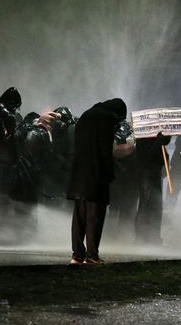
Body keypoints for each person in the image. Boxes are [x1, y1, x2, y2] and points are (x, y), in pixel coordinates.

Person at [67, 98, 126, 264]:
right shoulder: (105, 118)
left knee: (78, 217)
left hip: (78, 174)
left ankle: (77, 254)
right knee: (94, 216)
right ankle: (92, 256)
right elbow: (104, 149)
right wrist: (110, 171)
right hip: (96, 174)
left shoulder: (86, 115)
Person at [134, 132, 171, 246]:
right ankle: (142, 237)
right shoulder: (143, 138)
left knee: (155, 207)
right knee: (147, 205)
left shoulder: (152, 137)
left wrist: (163, 138)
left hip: (154, 174)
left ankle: (153, 236)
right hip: (146, 174)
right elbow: (149, 155)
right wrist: (158, 140)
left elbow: (163, 144)